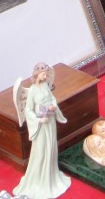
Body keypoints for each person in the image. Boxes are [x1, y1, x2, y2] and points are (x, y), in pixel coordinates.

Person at [13, 63, 70, 199]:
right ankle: (39, 179)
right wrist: (38, 119)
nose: (46, 76)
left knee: (51, 147)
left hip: (49, 121)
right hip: (41, 124)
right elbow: (28, 110)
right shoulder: (32, 90)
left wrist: (53, 106)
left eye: (46, 74)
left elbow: (52, 99)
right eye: (44, 74)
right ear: (37, 75)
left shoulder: (45, 85)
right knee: (41, 149)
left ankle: (50, 175)